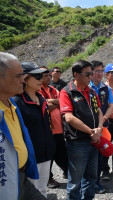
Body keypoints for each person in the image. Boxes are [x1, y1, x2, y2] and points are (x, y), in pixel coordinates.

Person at [0, 52, 47, 200]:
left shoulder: (12, 104)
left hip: (21, 176)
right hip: (6, 181)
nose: (23, 80)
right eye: (18, 76)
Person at [59, 60, 104, 200]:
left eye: (91, 73)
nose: (91, 76)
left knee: (91, 177)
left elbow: (99, 112)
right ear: (76, 74)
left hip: (94, 141)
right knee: (75, 181)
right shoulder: (67, 92)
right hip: (78, 142)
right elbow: (69, 118)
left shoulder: (91, 91)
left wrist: (100, 129)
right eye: (87, 74)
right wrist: (92, 132)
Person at [12, 62, 56, 197]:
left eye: (41, 76)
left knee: (42, 189)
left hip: (46, 152)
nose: (41, 79)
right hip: (31, 158)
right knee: (31, 192)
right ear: (24, 78)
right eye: (36, 76)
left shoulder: (41, 98)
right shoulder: (16, 102)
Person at [39, 67, 68, 189]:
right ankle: (48, 178)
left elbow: (63, 101)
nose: (48, 77)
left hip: (59, 128)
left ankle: (68, 171)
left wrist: (51, 102)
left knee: (63, 152)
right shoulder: (37, 91)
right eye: (45, 75)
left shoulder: (52, 89)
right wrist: (54, 103)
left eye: (48, 74)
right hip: (47, 130)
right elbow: (44, 107)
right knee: (49, 155)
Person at [89, 61, 113, 193]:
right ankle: (87, 184)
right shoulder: (86, 86)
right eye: (97, 71)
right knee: (88, 157)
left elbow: (111, 106)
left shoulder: (106, 87)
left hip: (102, 128)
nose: (100, 73)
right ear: (90, 72)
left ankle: (97, 183)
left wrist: (103, 119)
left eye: (101, 70)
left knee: (100, 156)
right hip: (87, 129)